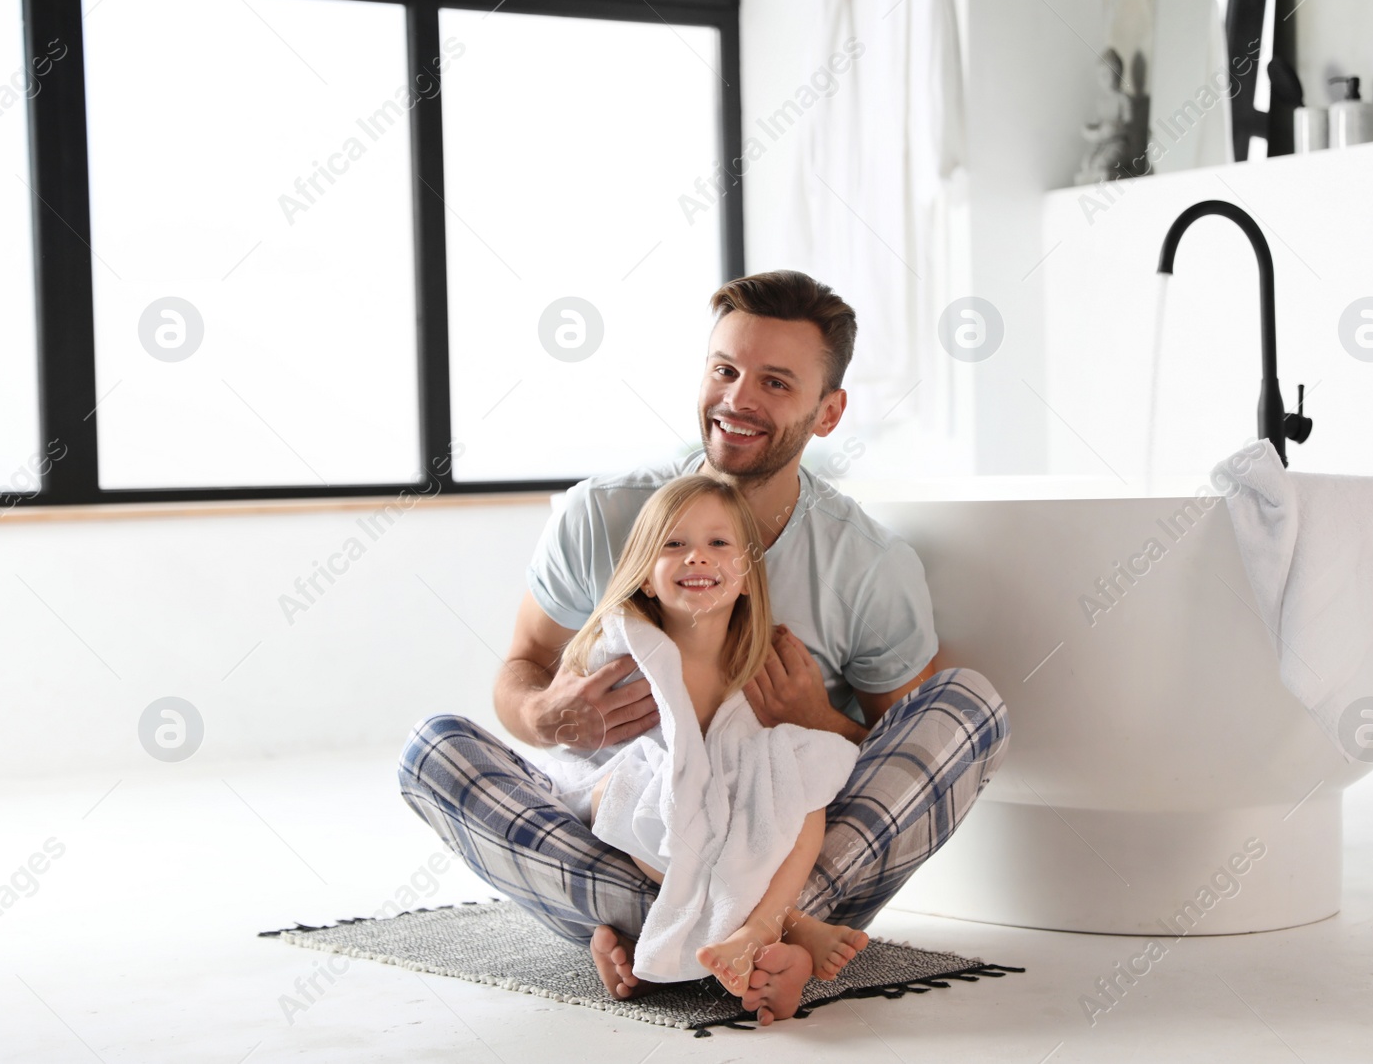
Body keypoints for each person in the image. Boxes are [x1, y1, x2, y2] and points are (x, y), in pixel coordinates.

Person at [398, 269, 1009, 1023]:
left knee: (970, 704)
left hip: (785, 841)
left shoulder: (866, 566)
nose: (737, 399)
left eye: (776, 383)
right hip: (626, 840)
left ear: (828, 413)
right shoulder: (601, 514)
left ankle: (716, 929)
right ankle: (751, 936)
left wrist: (816, 715)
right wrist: (549, 713)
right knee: (432, 749)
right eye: (725, 369)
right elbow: (519, 669)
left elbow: (902, 752)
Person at [539, 473, 870, 1023]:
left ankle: (745, 933)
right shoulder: (617, 654)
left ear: (745, 578)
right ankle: (782, 925)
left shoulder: (759, 661)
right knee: (644, 794)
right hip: (650, 816)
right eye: (674, 544)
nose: (697, 557)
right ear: (645, 577)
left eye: (718, 544)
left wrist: (767, 755)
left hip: (726, 812)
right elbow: (584, 754)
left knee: (793, 763)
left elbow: (760, 760)